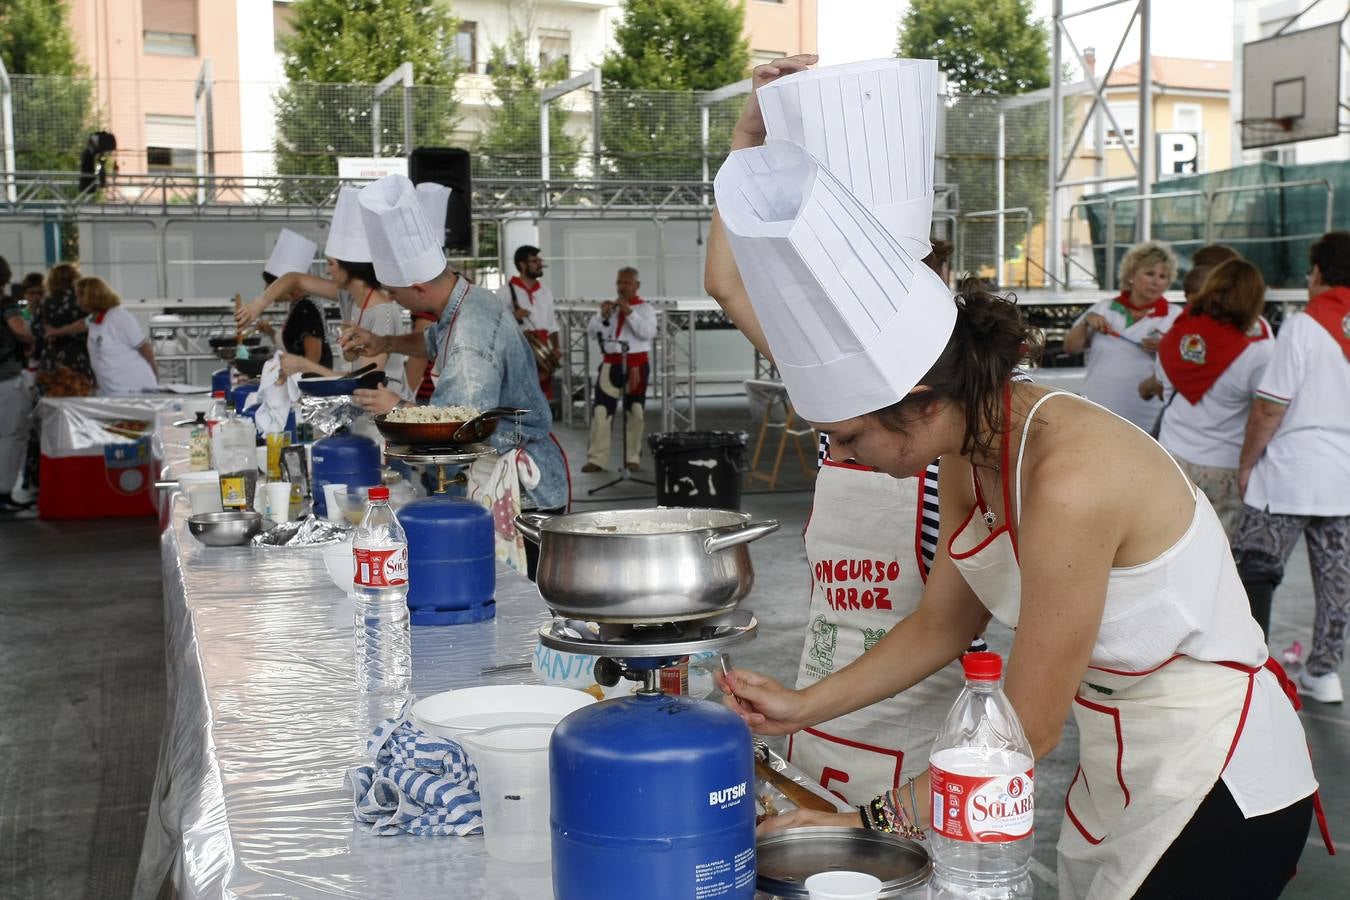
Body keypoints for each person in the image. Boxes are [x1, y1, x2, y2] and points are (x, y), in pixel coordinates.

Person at [711, 53, 1322, 899]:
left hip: (1214, 774)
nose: (844, 462)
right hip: (1120, 768)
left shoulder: (1071, 477)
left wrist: (861, 827)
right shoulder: (971, 446)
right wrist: (800, 708)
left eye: (850, 439)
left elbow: (1026, 729)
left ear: (922, 403)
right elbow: (939, 627)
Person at [338, 175, 568, 578]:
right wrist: (384, 342)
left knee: (516, 609)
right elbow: (432, 340)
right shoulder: (467, 300)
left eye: (396, 293)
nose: (394, 300)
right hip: (516, 479)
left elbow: (460, 424)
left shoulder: (469, 337)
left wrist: (399, 409)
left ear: (419, 287)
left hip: (522, 496)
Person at [1234, 231, 1350, 704]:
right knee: (1337, 578)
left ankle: (1248, 666)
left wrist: (1247, 464)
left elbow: (1268, 408)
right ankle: (1325, 673)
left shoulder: (1305, 325)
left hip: (1288, 471)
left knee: (1256, 570)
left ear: (1318, 272)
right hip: (1343, 475)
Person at [236, 189, 408, 397]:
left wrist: (305, 365)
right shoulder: (349, 296)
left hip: (385, 419)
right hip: (361, 411)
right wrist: (259, 303)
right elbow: (294, 278)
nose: (327, 270)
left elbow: (366, 383)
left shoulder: (382, 314)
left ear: (350, 266)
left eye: (331, 264)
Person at [1150, 260, 1272, 537]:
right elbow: (1266, 407)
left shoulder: (1178, 331)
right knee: (1217, 554)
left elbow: (1163, 386)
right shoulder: (1258, 347)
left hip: (1171, 455)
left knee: (1168, 544)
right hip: (1224, 464)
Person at [1062, 241, 1181, 430]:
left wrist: (1165, 348)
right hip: (1096, 412)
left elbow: (1188, 364)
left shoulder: (1176, 316)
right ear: (1131, 275)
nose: (1156, 281)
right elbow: (1070, 347)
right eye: (1150, 273)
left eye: (1163, 276)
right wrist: (1086, 322)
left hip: (1147, 418)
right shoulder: (1104, 307)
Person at [582, 267, 656, 473]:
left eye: (627, 283)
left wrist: (630, 313)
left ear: (637, 285)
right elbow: (591, 332)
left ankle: (632, 458)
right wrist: (602, 316)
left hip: (637, 366)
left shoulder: (646, 309)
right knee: (601, 412)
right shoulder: (610, 309)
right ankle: (597, 459)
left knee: (636, 413)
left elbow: (647, 333)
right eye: (619, 283)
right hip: (611, 364)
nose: (622, 287)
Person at [252, 229, 332, 370]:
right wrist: (270, 332)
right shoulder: (298, 305)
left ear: (289, 285)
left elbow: (313, 357)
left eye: (272, 285)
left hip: (312, 384)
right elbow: (293, 345)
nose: (267, 291)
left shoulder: (306, 308)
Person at [497, 245, 560, 401]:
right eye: (534, 261)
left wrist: (557, 348)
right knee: (520, 397)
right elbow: (494, 322)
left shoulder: (545, 291)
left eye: (539, 260)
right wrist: (513, 315)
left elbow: (552, 324)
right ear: (522, 264)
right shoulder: (505, 291)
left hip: (542, 351)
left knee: (542, 398)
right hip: (519, 349)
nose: (539, 264)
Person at [75, 276, 158, 395]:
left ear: (90, 297)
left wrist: (155, 375)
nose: (77, 301)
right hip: (111, 389)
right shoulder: (94, 319)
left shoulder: (119, 317)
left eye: (79, 296)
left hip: (134, 389)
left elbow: (145, 348)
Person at [0, 257, 36, 511]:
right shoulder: (6, 305)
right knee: (11, 437)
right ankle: (3, 493)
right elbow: (21, 331)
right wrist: (30, 338)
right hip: (7, 377)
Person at [34, 262, 96, 397]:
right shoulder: (81, 301)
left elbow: (37, 331)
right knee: (80, 398)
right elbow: (92, 325)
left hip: (51, 358)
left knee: (52, 401)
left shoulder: (45, 302)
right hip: (79, 357)